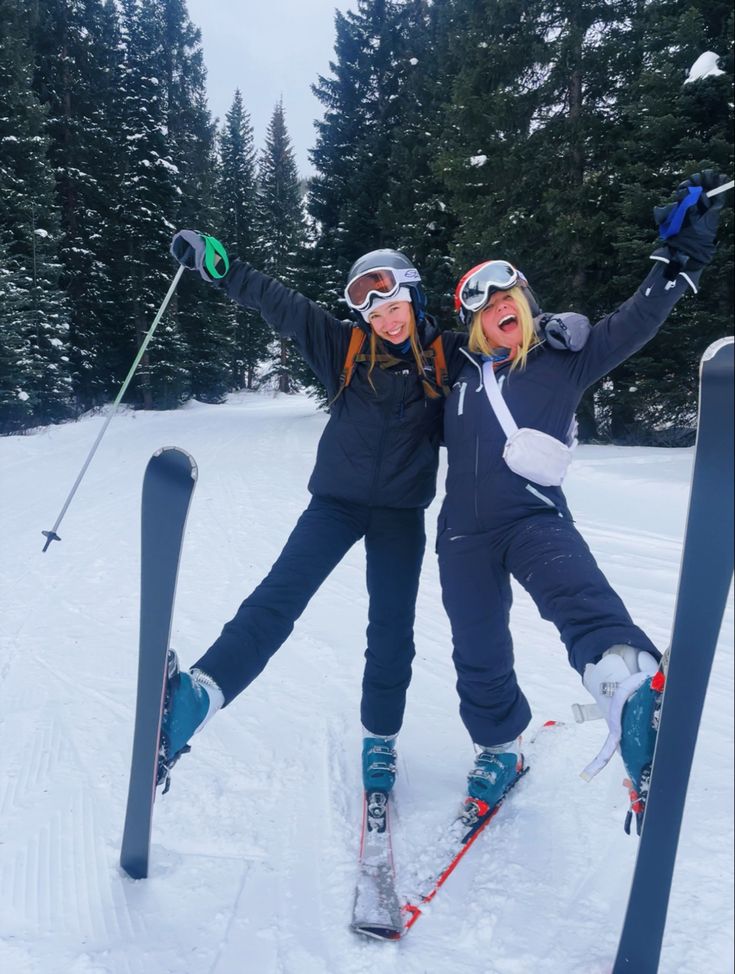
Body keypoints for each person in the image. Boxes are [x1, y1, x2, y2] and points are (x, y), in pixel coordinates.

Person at [161, 233, 589, 797]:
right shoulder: (340, 346)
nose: (389, 322)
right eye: (377, 314)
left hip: (400, 515)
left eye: (396, 309)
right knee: (278, 596)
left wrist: (561, 323)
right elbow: (278, 301)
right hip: (334, 506)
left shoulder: (449, 352)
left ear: (413, 299)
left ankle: (380, 738)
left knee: (391, 631)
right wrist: (220, 265)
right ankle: (199, 695)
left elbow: (503, 327)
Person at [436, 170, 727, 833]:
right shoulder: (455, 377)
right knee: (476, 648)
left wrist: (674, 261)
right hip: (460, 534)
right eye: (481, 306)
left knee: (578, 596)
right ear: (475, 329)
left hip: (532, 517)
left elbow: (636, 320)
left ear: (523, 298)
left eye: (504, 293)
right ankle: (497, 751)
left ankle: (629, 695)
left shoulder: (565, 356)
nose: (496, 306)